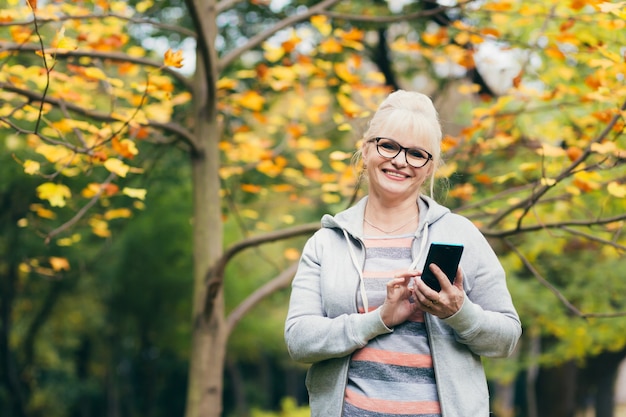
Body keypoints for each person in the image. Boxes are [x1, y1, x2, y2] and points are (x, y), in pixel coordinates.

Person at [284, 90, 522, 417]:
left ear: (429, 168)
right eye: (389, 146)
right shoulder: (327, 242)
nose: (400, 161)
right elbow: (299, 340)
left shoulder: (462, 234)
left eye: (416, 154)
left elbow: (506, 339)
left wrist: (458, 312)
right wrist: (378, 319)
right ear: (366, 150)